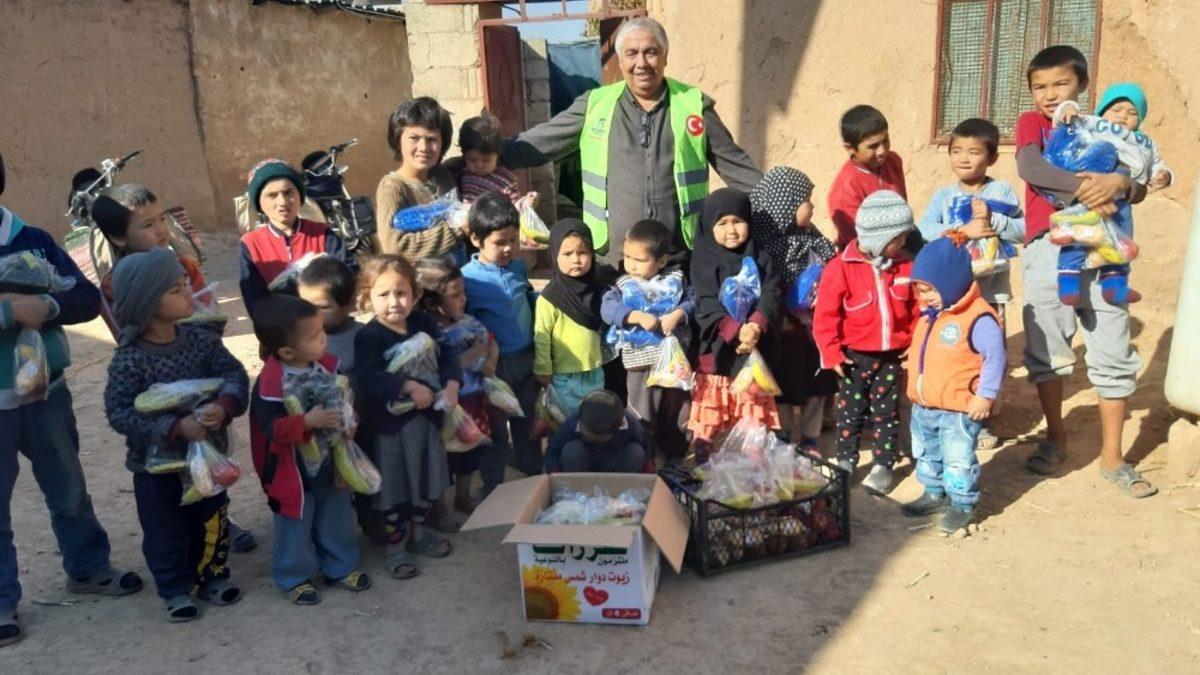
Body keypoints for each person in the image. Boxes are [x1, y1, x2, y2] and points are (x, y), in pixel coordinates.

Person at [1, 150, 142, 646]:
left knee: (68, 490)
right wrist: (7, 311)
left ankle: (88, 568)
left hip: (47, 395)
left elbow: (85, 298)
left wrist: (47, 304)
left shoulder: (34, 241)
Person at [500, 16, 762, 268]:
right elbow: (541, 142)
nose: (641, 63)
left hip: (681, 258)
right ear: (621, 59)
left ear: (665, 57)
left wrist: (779, 201)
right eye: (632, 53)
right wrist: (491, 155)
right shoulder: (595, 105)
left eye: (651, 52)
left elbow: (737, 167)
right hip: (613, 262)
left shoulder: (693, 105)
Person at [1015, 45, 1152, 497]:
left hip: (1106, 249)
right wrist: (1087, 189)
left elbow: (1140, 180)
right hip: (1049, 247)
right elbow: (1030, 166)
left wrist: (1122, 183)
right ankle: (1056, 438)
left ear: (1084, 84)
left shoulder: (1104, 126)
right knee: (1049, 349)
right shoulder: (1033, 123)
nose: (1050, 94)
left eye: (1061, 83)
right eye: (1040, 86)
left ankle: (1113, 457)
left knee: (1113, 345)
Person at [104, 248, 248, 622]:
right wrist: (173, 427)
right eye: (174, 289)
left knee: (211, 519)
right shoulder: (130, 359)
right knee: (165, 531)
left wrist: (224, 407)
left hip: (208, 462)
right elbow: (119, 413)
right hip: (156, 470)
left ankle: (213, 576)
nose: (187, 293)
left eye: (184, 284)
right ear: (147, 303)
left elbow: (234, 375)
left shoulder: (202, 341)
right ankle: (175, 588)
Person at [248, 294, 372, 606]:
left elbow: (343, 400)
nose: (323, 339)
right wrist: (306, 421)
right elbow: (271, 428)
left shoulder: (325, 367)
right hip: (291, 469)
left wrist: (350, 419)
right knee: (295, 523)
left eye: (322, 331)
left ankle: (340, 567)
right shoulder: (270, 384)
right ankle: (295, 577)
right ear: (287, 352)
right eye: (315, 335)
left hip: (330, 460)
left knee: (336, 515)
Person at [917, 118, 1025, 451]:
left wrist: (993, 220)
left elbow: (1022, 230)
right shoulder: (943, 196)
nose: (964, 158)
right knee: (954, 351)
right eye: (957, 151)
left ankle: (985, 415)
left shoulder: (1000, 192)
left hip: (988, 294)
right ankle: (953, 404)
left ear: (991, 158)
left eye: (974, 152)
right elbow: (924, 231)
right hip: (951, 297)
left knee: (987, 353)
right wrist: (962, 231)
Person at [354, 255, 461, 580]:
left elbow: (448, 355)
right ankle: (396, 548)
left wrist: (452, 385)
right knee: (395, 489)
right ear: (367, 297)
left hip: (427, 423)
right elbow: (369, 377)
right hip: (391, 432)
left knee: (424, 481)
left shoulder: (424, 324)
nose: (394, 302)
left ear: (415, 294)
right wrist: (408, 386)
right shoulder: (369, 337)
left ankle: (419, 534)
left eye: (401, 293)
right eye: (383, 294)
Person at [812, 190, 919, 495]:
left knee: (887, 413)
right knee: (850, 413)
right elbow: (825, 316)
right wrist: (831, 353)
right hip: (853, 359)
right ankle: (846, 461)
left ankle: (884, 464)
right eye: (897, 239)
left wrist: (914, 343)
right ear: (877, 238)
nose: (902, 244)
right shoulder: (840, 268)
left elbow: (916, 308)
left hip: (892, 357)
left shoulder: (905, 266)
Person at [901, 236, 1006, 533]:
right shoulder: (932, 314)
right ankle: (934, 492)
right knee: (927, 451)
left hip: (958, 410)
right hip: (926, 405)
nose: (924, 297)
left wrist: (986, 396)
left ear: (951, 282)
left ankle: (962, 503)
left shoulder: (977, 317)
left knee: (958, 457)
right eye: (920, 290)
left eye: (929, 289)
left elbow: (995, 357)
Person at [1050, 82, 1172, 306]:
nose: (1123, 116)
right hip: (1091, 190)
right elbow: (1064, 120)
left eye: (1132, 113)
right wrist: (1067, 109)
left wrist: (1164, 176)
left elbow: (1157, 164)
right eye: (1116, 109)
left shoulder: (1145, 142)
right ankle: (1068, 280)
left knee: (1122, 239)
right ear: (1103, 110)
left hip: (1121, 199)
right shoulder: (1095, 124)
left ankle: (1114, 285)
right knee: (1078, 233)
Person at [749, 167, 838, 453]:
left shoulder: (813, 238)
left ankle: (810, 438)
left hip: (815, 330)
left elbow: (832, 261)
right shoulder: (765, 248)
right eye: (806, 200)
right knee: (783, 387)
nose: (812, 206)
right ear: (786, 204)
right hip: (782, 334)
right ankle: (783, 436)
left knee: (817, 384)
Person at [688, 188, 781, 455]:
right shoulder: (702, 260)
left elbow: (772, 291)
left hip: (754, 347)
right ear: (708, 225)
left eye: (738, 221)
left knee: (751, 410)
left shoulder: (759, 255)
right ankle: (705, 463)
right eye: (722, 223)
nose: (731, 230)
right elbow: (705, 301)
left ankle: (749, 464)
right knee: (711, 414)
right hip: (716, 350)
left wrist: (755, 325)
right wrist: (736, 330)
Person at [461, 194, 541, 493]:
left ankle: (533, 478)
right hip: (494, 367)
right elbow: (465, 324)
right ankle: (493, 486)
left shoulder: (518, 268)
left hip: (526, 359)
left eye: (513, 240)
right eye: (499, 242)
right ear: (475, 239)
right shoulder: (468, 279)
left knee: (527, 421)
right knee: (495, 427)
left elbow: (529, 302)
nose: (508, 248)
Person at [599, 219, 693, 461]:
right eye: (627, 257)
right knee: (642, 413)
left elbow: (693, 300)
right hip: (640, 365)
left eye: (639, 260)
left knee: (676, 410)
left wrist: (678, 314)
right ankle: (644, 458)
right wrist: (635, 316)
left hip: (673, 364)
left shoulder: (676, 280)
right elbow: (608, 309)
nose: (631, 265)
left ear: (661, 261)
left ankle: (676, 457)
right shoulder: (622, 285)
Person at [415, 256, 498, 515]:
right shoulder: (426, 337)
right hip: (446, 406)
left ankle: (463, 497)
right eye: (455, 295)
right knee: (442, 458)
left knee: (469, 452)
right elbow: (437, 372)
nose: (463, 299)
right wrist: (472, 354)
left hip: (473, 401)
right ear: (431, 302)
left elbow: (491, 341)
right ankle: (438, 507)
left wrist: (491, 361)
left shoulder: (469, 322)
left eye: (463, 292)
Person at [238, 159, 355, 317]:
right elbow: (254, 300)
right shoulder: (251, 244)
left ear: (300, 196)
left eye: (288, 192)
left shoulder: (321, 233)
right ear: (259, 203)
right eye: (272, 195)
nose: (282, 202)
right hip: (279, 326)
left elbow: (350, 274)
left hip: (327, 324)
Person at [91, 184, 210, 334]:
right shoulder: (113, 285)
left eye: (162, 219)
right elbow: (127, 334)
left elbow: (209, 312)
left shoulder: (184, 266)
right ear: (118, 238)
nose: (162, 230)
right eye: (148, 225)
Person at [535, 219, 608, 416]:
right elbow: (542, 336)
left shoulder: (598, 289)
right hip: (564, 377)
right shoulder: (550, 297)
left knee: (594, 421)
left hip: (594, 372)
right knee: (567, 423)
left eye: (582, 252)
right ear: (554, 255)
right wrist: (543, 369)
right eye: (567, 254)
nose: (576, 260)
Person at [375, 97, 460, 261]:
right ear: (398, 141)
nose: (423, 148)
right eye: (414, 138)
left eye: (432, 139)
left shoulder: (444, 175)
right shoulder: (393, 187)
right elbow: (395, 247)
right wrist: (457, 230)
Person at [827, 105, 908, 250]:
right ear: (850, 148)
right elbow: (862, 241)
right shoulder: (845, 190)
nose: (882, 150)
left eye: (886, 140)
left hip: (901, 242)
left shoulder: (893, 161)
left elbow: (903, 209)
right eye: (873, 146)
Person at [544, 390, 650, 473]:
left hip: (616, 463)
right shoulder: (573, 423)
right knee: (572, 451)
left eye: (597, 438)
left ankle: (624, 486)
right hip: (584, 464)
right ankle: (577, 487)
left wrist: (649, 477)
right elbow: (552, 452)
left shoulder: (630, 424)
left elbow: (647, 447)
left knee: (636, 452)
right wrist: (556, 475)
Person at [297, 256, 362, 378]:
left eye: (322, 307)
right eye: (305, 305)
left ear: (349, 303)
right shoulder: (294, 338)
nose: (310, 313)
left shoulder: (366, 340)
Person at [457, 113, 537, 208]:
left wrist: (525, 203)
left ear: (497, 155)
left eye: (486, 160)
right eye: (472, 160)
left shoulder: (505, 179)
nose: (479, 165)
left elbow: (514, 204)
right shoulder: (461, 172)